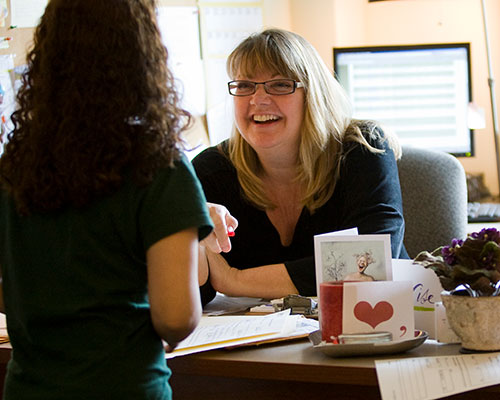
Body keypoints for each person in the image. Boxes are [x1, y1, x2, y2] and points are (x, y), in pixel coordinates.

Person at [0, 0, 213, 399]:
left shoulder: (15, 164)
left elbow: (8, 290)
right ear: (145, 54)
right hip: (123, 386)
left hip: (29, 388)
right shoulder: (156, 164)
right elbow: (176, 316)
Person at [193, 28, 408, 305]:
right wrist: (189, 236)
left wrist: (234, 280)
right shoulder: (212, 170)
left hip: (373, 327)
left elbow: (375, 259)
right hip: (260, 341)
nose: (258, 100)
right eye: (245, 85)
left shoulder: (364, 148)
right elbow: (194, 295)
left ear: (313, 94)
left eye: (280, 84)